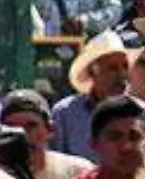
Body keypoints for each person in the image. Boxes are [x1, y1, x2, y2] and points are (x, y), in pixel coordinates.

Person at [51, 30, 134, 161]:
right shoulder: (65, 114)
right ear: (92, 71)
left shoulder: (141, 112)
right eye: (112, 68)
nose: (121, 75)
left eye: (125, 66)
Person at [0, 89, 92, 179]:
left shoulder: (79, 173)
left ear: (50, 130)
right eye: (13, 127)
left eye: (31, 126)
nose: (23, 134)